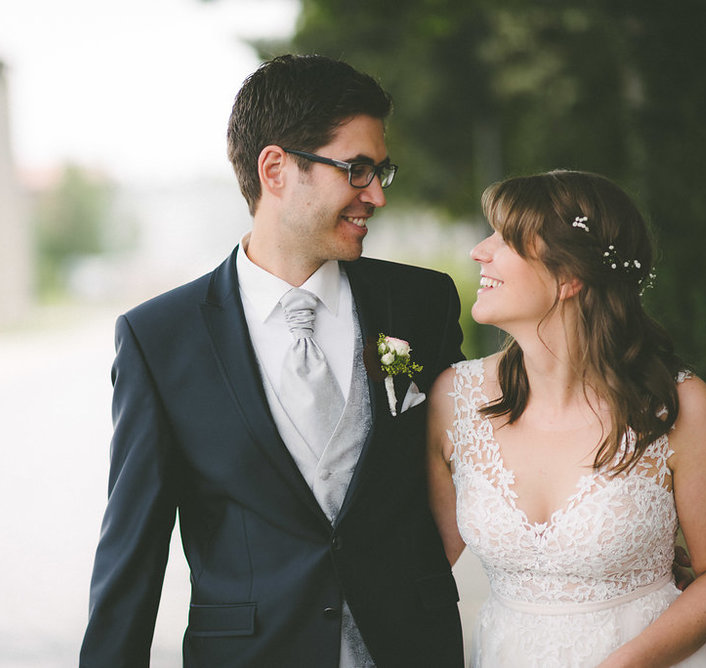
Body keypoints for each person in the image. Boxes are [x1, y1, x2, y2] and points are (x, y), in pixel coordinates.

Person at [80, 54, 467, 667]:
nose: (376, 196)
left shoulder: (420, 305)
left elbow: (471, 462)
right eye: (357, 170)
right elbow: (132, 555)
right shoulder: (160, 338)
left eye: (380, 171)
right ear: (276, 168)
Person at [426, 170, 706, 667]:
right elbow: (421, 564)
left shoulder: (678, 405)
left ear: (569, 277)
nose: (479, 251)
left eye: (506, 239)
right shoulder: (455, 399)